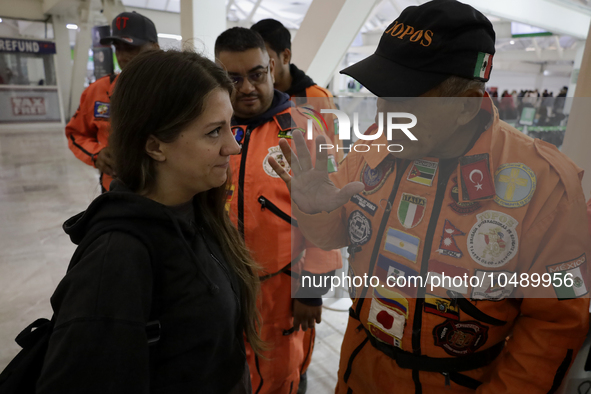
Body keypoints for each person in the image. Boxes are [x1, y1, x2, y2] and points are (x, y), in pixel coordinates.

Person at [269, 1, 591, 393]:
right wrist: (312, 209)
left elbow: (554, 325)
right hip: (360, 367)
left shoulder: (546, 186)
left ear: (465, 107)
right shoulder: (374, 145)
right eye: (380, 94)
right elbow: (335, 235)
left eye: (405, 102)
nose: (383, 116)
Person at [37, 50, 262, 393]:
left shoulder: (199, 212)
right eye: (214, 132)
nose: (233, 146)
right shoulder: (117, 260)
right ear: (156, 146)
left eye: (230, 127)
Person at [214, 27, 341, 394]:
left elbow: (330, 211)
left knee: (281, 375)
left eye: (256, 75)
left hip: (283, 289)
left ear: (271, 67)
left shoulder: (306, 128)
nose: (247, 88)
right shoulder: (209, 128)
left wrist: (312, 288)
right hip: (220, 285)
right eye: (233, 79)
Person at [65, 11, 159, 192]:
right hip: (115, 191)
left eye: (131, 48)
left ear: (154, 48)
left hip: (166, 194)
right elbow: (76, 134)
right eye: (118, 48)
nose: (122, 56)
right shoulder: (97, 91)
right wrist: (97, 153)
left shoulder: (177, 89)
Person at [250, 19, 342, 160]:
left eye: (266, 59)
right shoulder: (249, 99)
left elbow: (335, 154)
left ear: (285, 56)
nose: (260, 67)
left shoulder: (317, 98)